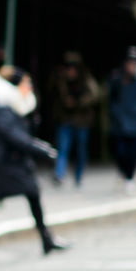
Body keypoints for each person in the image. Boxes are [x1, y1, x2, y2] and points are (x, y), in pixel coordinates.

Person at [0, 66, 69, 261]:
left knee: (32, 194)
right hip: (0, 165)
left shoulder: (10, 105)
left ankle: (46, 239)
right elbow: (15, 137)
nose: (29, 87)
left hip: (10, 163)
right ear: (12, 87)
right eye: (25, 84)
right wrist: (42, 150)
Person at [49, 51, 100, 187]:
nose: (70, 71)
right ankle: (59, 174)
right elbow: (51, 90)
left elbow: (95, 94)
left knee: (80, 150)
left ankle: (78, 176)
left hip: (81, 120)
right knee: (62, 148)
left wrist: (77, 102)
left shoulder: (86, 78)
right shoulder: (60, 78)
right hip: (65, 119)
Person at [107, 46, 136, 193]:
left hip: (135, 120)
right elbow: (112, 98)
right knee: (120, 151)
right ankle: (122, 172)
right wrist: (114, 113)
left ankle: (130, 177)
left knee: (132, 152)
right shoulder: (117, 78)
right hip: (120, 120)